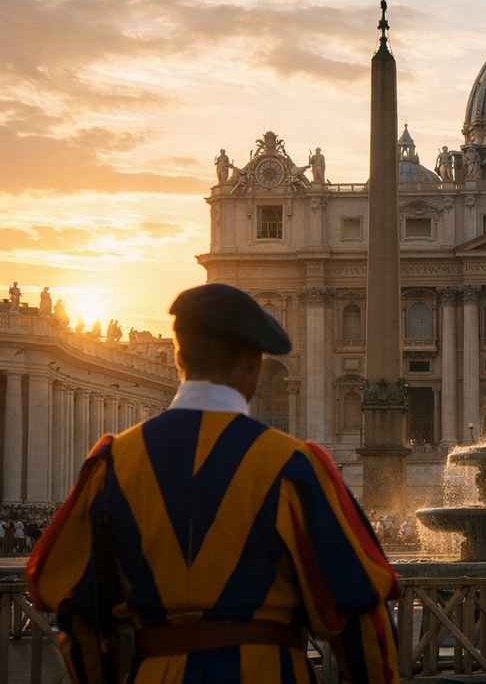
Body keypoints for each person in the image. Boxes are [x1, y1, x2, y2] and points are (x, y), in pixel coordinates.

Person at [26, 283, 400, 683]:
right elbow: (359, 612)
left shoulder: (113, 462)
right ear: (253, 365)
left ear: (178, 358)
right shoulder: (293, 465)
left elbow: (74, 607)